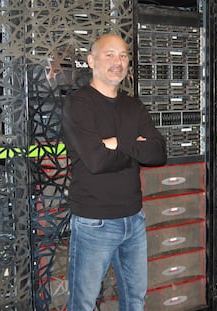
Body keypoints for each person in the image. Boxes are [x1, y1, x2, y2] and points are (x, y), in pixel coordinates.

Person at [62, 33, 167, 311]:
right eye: (109, 54)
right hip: (94, 222)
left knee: (135, 300)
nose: (117, 62)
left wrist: (118, 143)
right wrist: (134, 150)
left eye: (123, 55)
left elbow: (158, 154)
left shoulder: (134, 105)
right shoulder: (78, 104)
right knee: (82, 303)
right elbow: (96, 161)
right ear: (91, 61)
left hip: (134, 219)